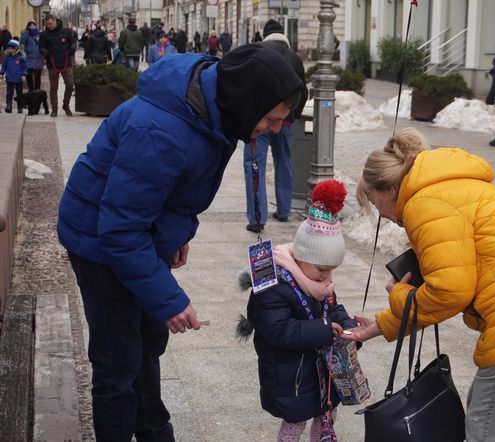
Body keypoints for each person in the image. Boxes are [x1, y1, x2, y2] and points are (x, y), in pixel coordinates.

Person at [57, 45, 304, 442]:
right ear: (249, 102)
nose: (275, 129)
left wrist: (176, 235)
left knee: (147, 341)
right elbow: (119, 230)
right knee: (117, 363)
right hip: (98, 242)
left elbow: (178, 188)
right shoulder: (161, 130)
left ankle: (153, 428)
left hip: (136, 231)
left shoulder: (219, 109)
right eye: (272, 119)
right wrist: (171, 300)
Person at [345, 128, 495, 442]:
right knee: (483, 414)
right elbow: (453, 281)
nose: (381, 213)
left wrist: (400, 295)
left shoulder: (425, 204)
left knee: (487, 432)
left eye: (374, 202)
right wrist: (380, 325)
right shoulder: (453, 186)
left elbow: (449, 291)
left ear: (389, 188)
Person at [237, 180, 357, 441]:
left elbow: (331, 308)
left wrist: (347, 325)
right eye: (321, 269)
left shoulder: (318, 282)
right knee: (294, 423)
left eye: (330, 270)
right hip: (291, 374)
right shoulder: (274, 287)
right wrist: (325, 329)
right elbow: (280, 330)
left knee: (326, 417)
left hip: (322, 371)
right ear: (300, 256)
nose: (327, 276)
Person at [243, 18, 307, 232]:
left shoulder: (259, 51)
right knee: (284, 162)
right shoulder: (295, 58)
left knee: (254, 164)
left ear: (266, 34)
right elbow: (303, 91)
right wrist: (291, 116)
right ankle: (284, 210)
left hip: (259, 121)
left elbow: (248, 86)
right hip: (286, 122)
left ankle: (257, 219)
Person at [39, 15, 76, 117]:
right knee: (53, 88)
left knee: (70, 84)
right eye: (47, 24)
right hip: (52, 64)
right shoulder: (44, 34)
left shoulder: (66, 31)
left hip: (66, 63)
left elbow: (73, 42)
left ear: (55, 21)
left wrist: (73, 48)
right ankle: (54, 109)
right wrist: (46, 52)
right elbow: (41, 48)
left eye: (50, 23)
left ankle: (66, 105)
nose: (48, 26)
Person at [1, 40, 27, 113]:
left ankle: (20, 107)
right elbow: (4, 67)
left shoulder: (21, 58)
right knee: (9, 93)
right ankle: (9, 106)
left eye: (11, 48)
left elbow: (24, 68)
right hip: (9, 78)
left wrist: (24, 75)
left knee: (19, 94)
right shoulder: (7, 58)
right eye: (9, 48)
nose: (10, 50)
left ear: (16, 48)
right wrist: (1, 73)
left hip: (19, 79)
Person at [20, 21, 43, 91]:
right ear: (28, 26)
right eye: (31, 25)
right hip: (29, 58)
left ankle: (37, 89)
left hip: (38, 58)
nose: (32, 26)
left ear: (36, 26)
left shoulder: (39, 34)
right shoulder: (26, 34)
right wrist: (27, 32)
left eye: (33, 25)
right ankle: (31, 89)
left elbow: (43, 43)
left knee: (37, 76)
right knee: (29, 75)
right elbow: (22, 41)